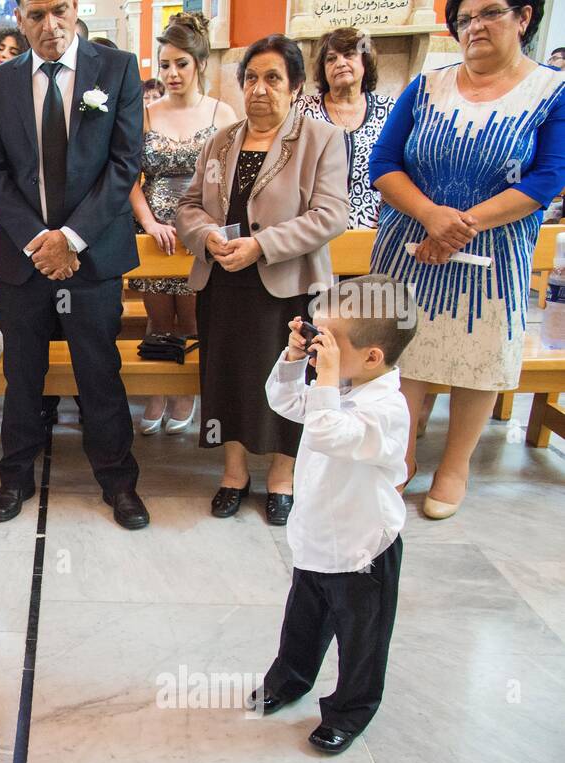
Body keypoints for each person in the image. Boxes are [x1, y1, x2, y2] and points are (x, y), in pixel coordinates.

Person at [369, 0, 565, 519]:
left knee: (477, 358)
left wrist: (460, 227)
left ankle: (455, 466)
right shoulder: (426, 86)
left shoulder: (551, 93)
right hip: (410, 244)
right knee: (402, 353)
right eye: (464, 18)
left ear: (524, 17)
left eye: (489, 13)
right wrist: (432, 216)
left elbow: (547, 178)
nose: (474, 26)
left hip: (494, 253)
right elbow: (383, 162)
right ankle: (401, 456)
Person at [0, 0, 149, 530]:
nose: (48, 26)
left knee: (98, 370)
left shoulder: (115, 69)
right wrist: (37, 240)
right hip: (25, 258)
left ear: (74, 10)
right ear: (20, 20)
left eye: (58, 11)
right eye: (35, 15)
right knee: (21, 371)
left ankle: (118, 481)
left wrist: (71, 239)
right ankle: (15, 476)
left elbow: (125, 163)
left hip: (92, 255)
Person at [176, 34, 349, 527]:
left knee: (292, 379)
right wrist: (206, 235)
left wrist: (262, 245)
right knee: (227, 377)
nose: (259, 88)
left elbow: (331, 215)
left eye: (273, 78)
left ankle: (281, 478)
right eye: (251, 78)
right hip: (223, 282)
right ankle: (233, 474)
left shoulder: (321, 138)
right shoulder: (221, 140)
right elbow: (189, 205)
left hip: (287, 285)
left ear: (295, 86)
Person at [252, 275, 418, 755]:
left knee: (361, 639)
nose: (319, 347)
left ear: (373, 356)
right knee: (302, 622)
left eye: (329, 341)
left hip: (364, 548)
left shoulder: (386, 408)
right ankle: (291, 678)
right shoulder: (342, 384)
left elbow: (328, 433)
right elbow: (283, 401)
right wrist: (293, 359)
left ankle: (350, 710)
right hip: (317, 537)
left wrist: (324, 379)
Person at [130, 13, 236, 435]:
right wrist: (149, 222)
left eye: (181, 64)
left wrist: (207, 228)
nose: (172, 74)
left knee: (192, 320)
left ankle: (185, 392)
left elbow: (231, 180)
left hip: (201, 233)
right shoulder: (146, 113)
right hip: (154, 233)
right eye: (165, 65)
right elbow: (129, 180)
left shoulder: (222, 112)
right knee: (157, 320)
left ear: (200, 64)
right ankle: (156, 389)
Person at [294, 27, 395, 229]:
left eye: (349, 55)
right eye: (331, 59)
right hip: (312, 228)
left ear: (365, 60)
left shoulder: (390, 109)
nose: (340, 63)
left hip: (373, 229)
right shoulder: (302, 109)